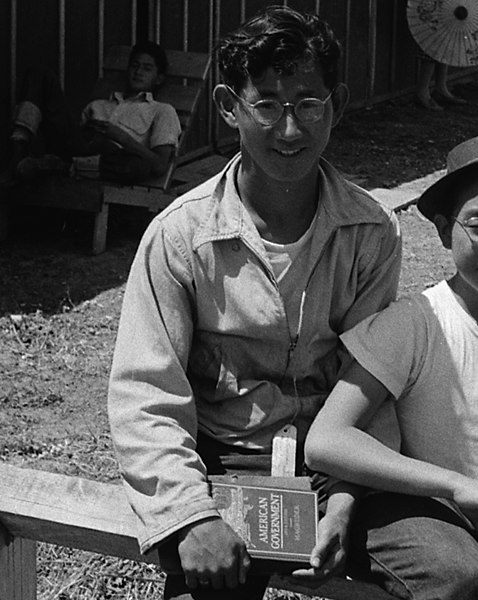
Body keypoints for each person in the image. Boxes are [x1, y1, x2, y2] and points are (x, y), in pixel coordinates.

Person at [107, 6, 401, 599]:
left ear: (336, 105)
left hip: (334, 462)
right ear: (227, 106)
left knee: (460, 572)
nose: (289, 130)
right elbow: (146, 395)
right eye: (266, 103)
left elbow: (369, 384)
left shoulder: (371, 232)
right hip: (222, 463)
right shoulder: (180, 237)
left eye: (308, 103)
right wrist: (193, 515)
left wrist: (344, 501)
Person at [305, 132, 478, 600]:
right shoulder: (416, 323)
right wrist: (459, 488)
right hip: (433, 516)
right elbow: (327, 441)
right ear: (444, 229)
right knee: (465, 576)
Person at [3, 40, 181, 184]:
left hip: (111, 156)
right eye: (135, 66)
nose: (138, 72)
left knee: (139, 167)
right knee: (38, 74)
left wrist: (121, 137)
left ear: (159, 78)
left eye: (147, 68)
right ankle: (18, 151)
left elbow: (158, 165)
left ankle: (64, 166)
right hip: (78, 143)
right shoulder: (98, 104)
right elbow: (71, 139)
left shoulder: (162, 110)